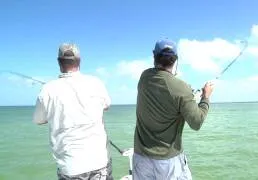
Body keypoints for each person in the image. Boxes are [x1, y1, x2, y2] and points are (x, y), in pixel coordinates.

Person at [133, 39, 214, 180]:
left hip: (141, 157)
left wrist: (186, 95)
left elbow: (165, 88)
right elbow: (196, 122)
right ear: (175, 59)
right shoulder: (182, 89)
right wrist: (205, 97)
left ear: (154, 56)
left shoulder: (144, 77)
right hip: (167, 161)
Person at [33, 43, 113, 180]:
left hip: (71, 167)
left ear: (59, 62)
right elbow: (106, 106)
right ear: (79, 61)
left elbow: (38, 120)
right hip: (100, 162)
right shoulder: (96, 83)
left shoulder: (47, 89)